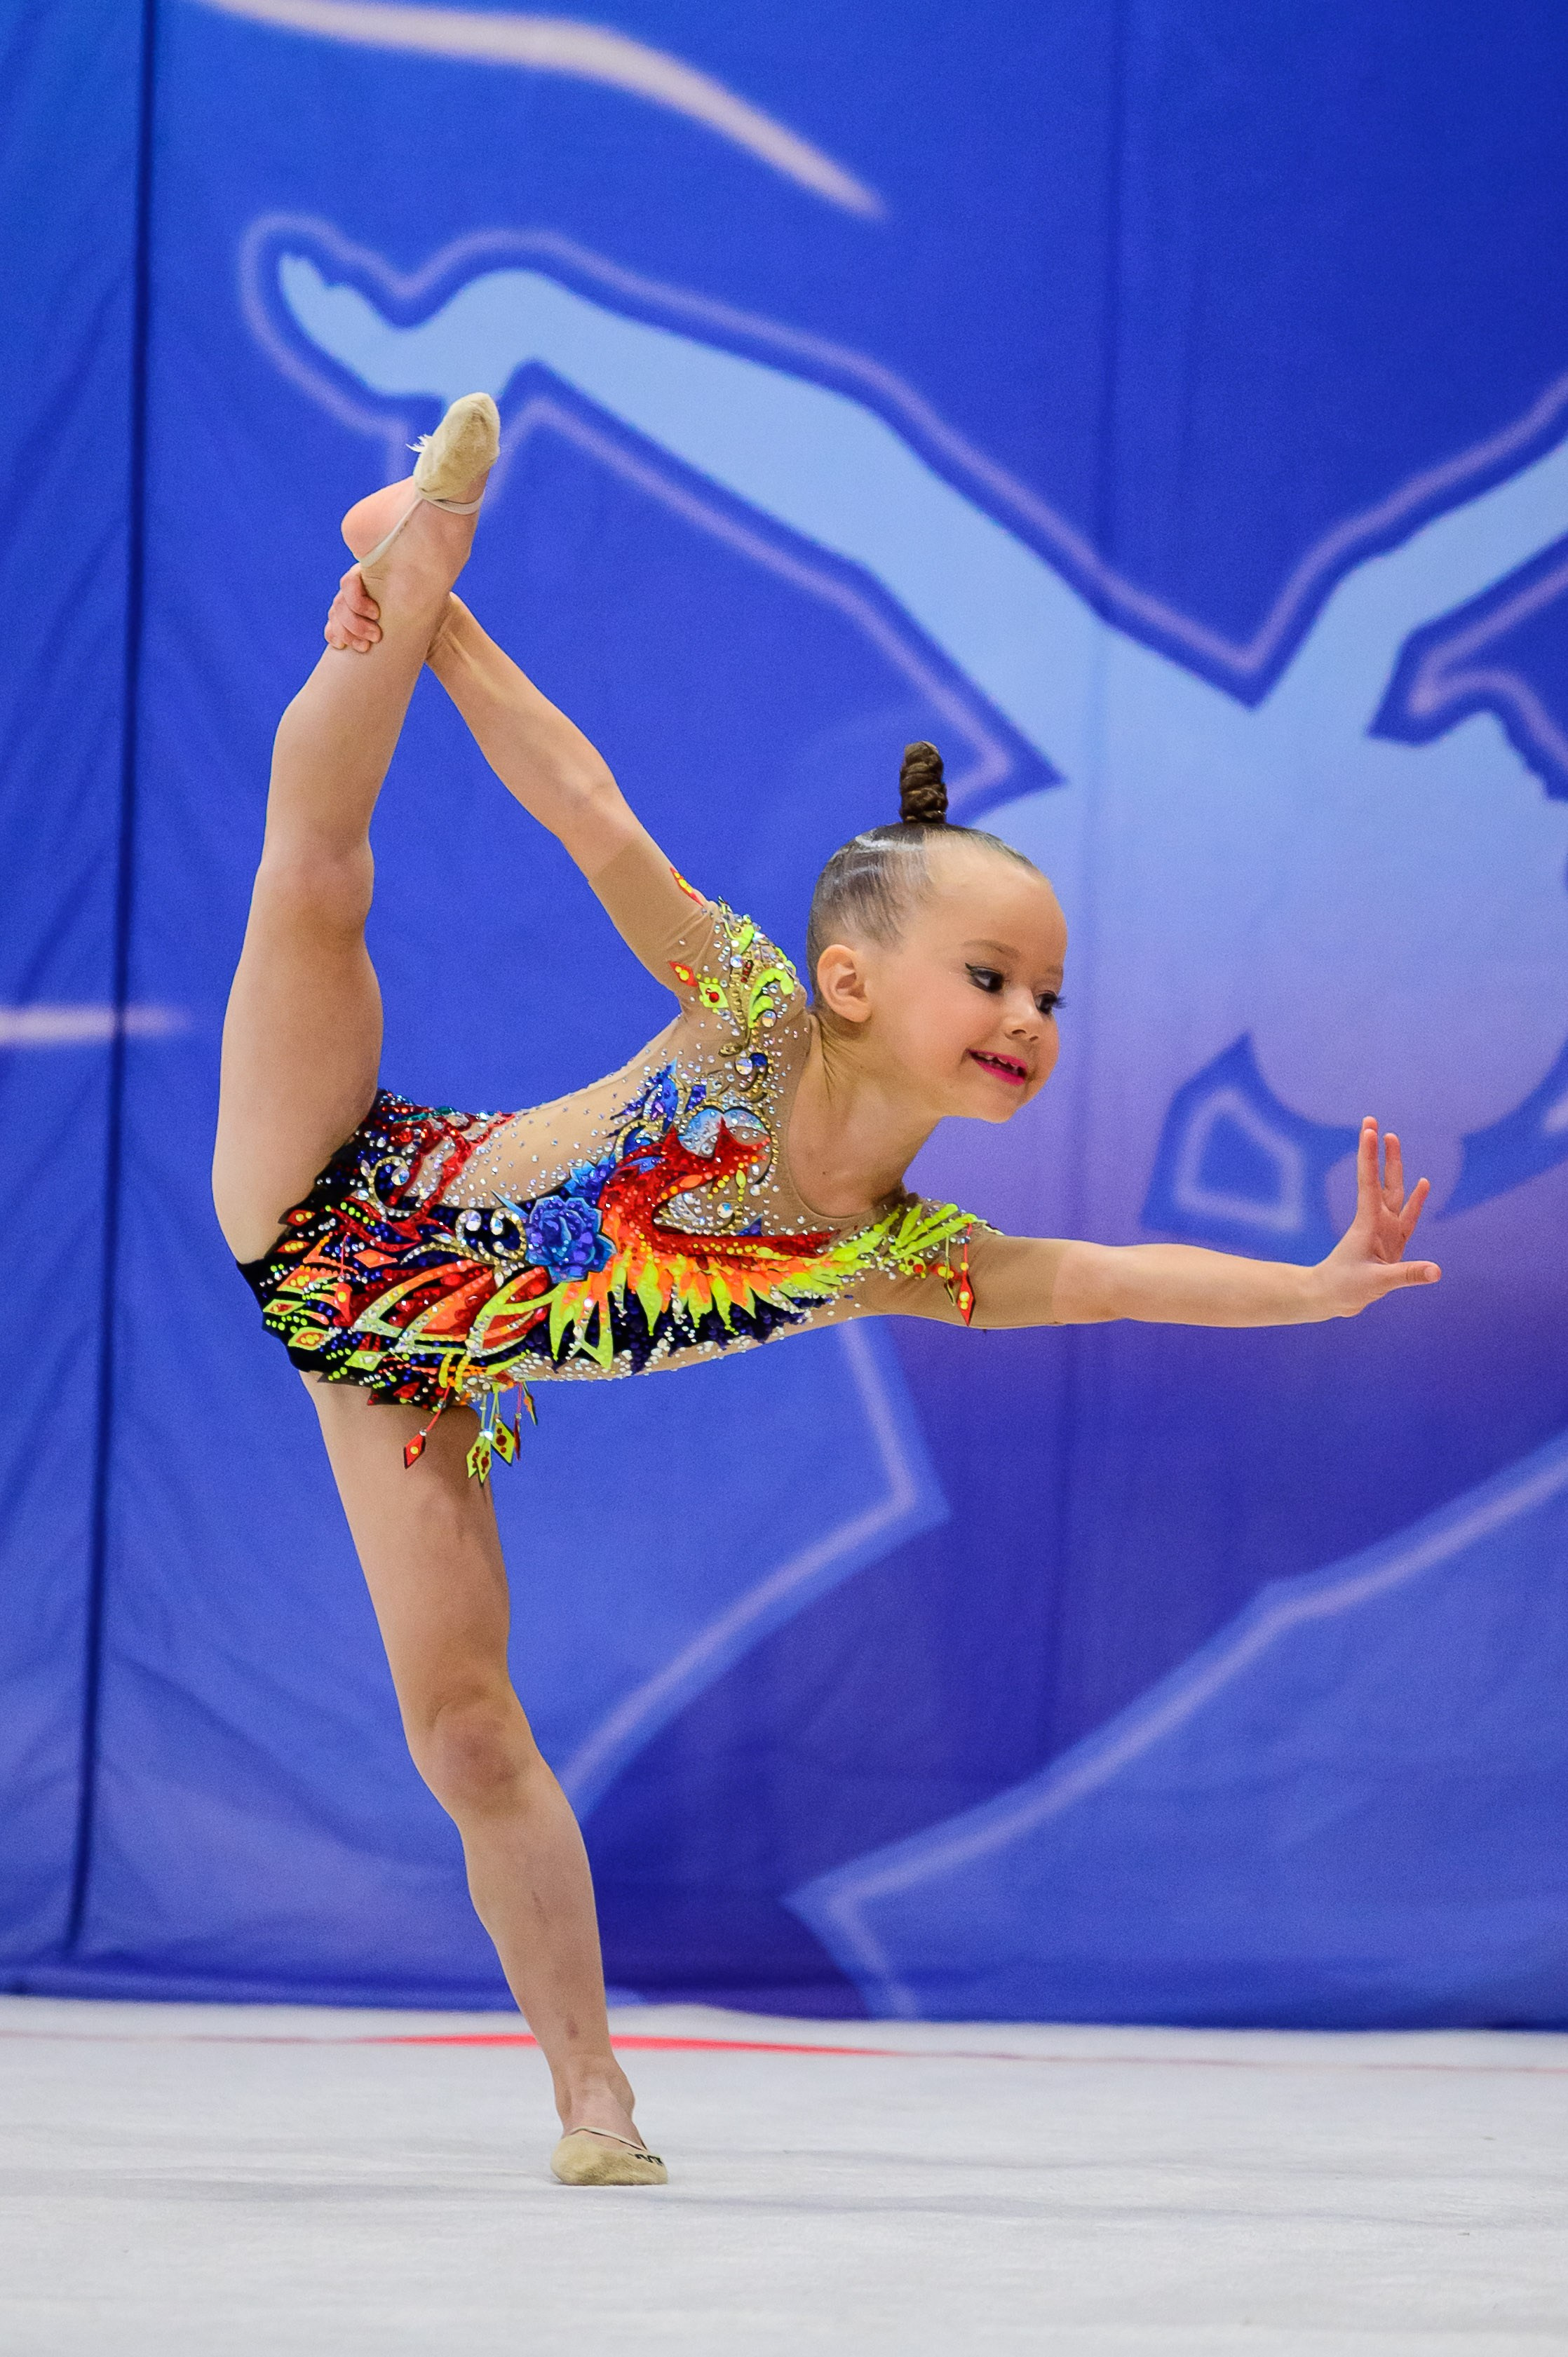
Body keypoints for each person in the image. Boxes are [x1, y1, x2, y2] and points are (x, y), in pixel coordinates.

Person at [212, 393, 1440, 2187]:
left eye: (1048, 997)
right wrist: (439, 627)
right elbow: (586, 804)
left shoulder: (893, 1256)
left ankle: (591, 2100)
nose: (1028, 1021)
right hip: (331, 1188)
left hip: (406, 1379)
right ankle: (411, 567)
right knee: (318, 881)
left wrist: (1309, 1290)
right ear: (854, 981)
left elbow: (1101, 1276)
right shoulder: (749, 1004)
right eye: (992, 977)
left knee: (468, 1728)